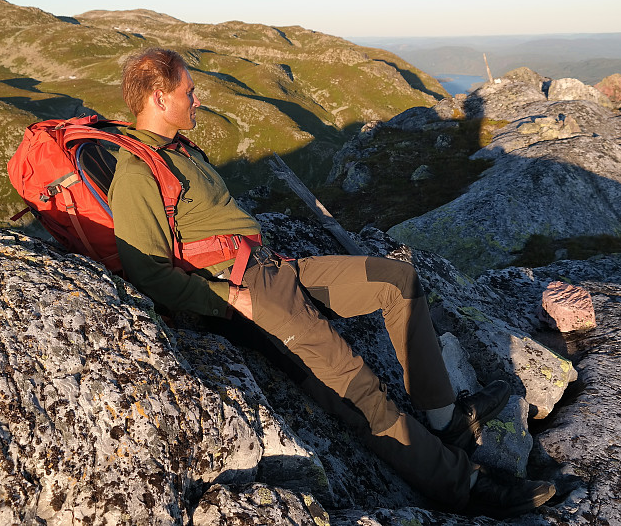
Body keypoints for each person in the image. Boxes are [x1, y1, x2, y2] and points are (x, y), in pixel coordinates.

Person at [108, 48, 555, 518]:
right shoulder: (136, 172)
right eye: (188, 92)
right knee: (358, 389)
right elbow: (147, 271)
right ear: (159, 98)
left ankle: (447, 422)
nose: (197, 100)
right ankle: (463, 484)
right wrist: (232, 300)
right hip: (248, 296)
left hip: (273, 268)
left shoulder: (177, 149)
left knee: (396, 280)